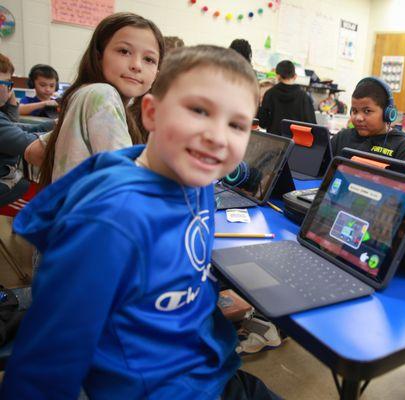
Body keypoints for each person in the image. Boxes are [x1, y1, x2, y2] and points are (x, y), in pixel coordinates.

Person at [1, 45, 280, 400]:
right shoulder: (110, 220)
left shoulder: (192, 176)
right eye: (198, 110)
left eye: (237, 125)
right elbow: (46, 361)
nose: (217, 136)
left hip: (202, 366)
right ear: (151, 113)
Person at [35, 12, 164, 186]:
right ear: (98, 56)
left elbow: (32, 151)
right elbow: (126, 179)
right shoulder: (103, 95)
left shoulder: (86, 96)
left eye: (149, 59)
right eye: (124, 51)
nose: (136, 65)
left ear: (156, 73)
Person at [0, 53, 54, 203]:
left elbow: (13, 127)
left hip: (7, 176)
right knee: (41, 202)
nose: (9, 89)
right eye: (6, 84)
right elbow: (28, 143)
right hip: (6, 182)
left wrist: (57, 124)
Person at [330, 77, 405, 160]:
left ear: (387, 113)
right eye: (355, 111)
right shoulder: (341, 138)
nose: (358, 118)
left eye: (367, 111)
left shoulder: (402, 148)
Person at [258, 60, 315, 135]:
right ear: (295, 76)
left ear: (278, 76)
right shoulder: (304, 97)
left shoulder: (270, 94)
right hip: (296, 143)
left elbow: (262, 123)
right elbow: (312, 126)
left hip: (274, 140)